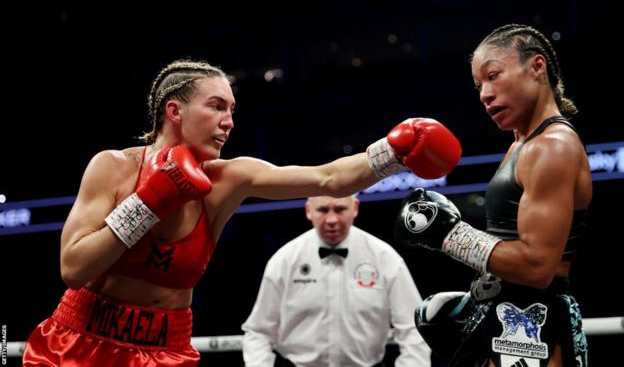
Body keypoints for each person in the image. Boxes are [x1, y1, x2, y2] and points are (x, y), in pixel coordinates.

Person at [22, 59, 461, 366]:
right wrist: (150, 202)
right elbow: (73, 268)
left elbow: (329, 179)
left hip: (164, 345)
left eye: (232, 109)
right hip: (81, 341)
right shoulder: (112, 167)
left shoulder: (229, 178)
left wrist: (395, 152)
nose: (229, 121)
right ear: (174, 110)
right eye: (216, 106)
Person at [393, 24, 592, 367]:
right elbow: (509, 250)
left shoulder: (552, 147)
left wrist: (448, 235)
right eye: (479, 85)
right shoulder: (522, 144)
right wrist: (478, 300)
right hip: (513, 317)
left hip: (535, 327)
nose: (484, 94)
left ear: (537, 67)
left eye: (494, 75)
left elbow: (537, 268)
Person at [242, 195, 432, 367]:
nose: (332, 220)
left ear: (355, 208)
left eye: (340, 209)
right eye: (323, 210)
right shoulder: (285, 259)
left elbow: (414, 328)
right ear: (309, 210)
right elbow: (258, 332)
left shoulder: (384, 257)